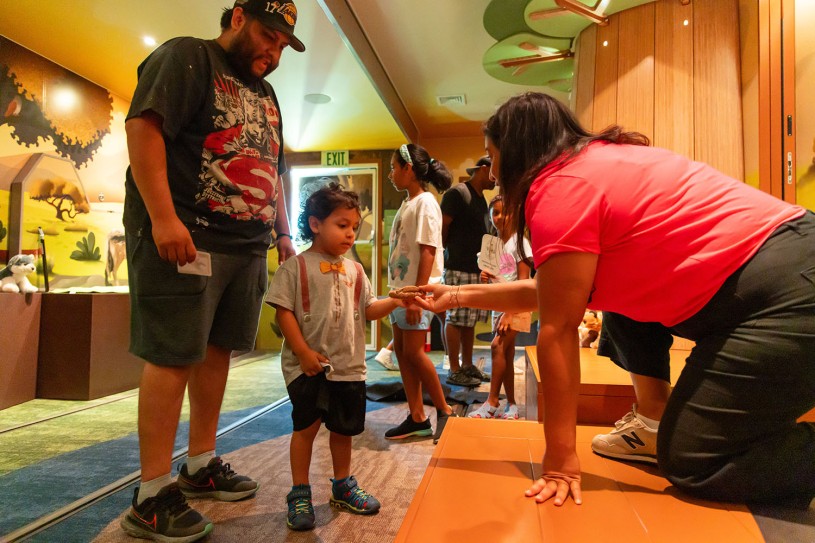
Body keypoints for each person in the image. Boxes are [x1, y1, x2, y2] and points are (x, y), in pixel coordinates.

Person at [413, 91, 814, 508]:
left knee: (694, 461)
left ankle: (672, 433)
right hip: (784, 265)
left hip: (785, 291)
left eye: (492, 156)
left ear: (517, 153)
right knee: (615, 301)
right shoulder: (596, 160)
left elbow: (559, 326)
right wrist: (455, 294)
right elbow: (559, 290)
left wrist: (561, 461)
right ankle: (654, 421)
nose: (492, 172)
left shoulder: (559, 187)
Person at [120, 2, 303, 541]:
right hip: (187, 237)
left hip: (246, 244)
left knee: (218, 351)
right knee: (171, 353)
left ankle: (200, 464)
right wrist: (162, 218)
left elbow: (274, 168)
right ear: (239, 18)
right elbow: (144, 128)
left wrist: (284, 233)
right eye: (268, 36)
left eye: (283, 46)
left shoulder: (266, 95)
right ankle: (150, 495)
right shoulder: (187, 56)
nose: (273, 52)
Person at [266, 183, 397, 530]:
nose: (351, 233)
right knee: (305, 428)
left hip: (349, 367)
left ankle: (342, 485)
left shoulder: (356, 270)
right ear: (315, 224)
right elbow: (283, 312)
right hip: (309, 368)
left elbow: (369, 310)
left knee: (343, 430)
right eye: (342, 225)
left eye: (354, 226)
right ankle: (299, 492)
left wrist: (397, 300)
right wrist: (303, 352)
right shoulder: (294, 267)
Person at [385, 143, 458, 444]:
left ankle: (445, 410)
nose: (391, 174)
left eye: (394, 167)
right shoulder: (408, 203)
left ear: (409, 169)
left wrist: (416, 295)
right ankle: (417, 417)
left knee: (414, 351)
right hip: (401, 292)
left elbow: (429, 249)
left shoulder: (427, 202)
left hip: (415, 292)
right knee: (402, 352)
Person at [469, 195, 531, 420]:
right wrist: (485, 276)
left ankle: (492, 402)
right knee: (506, 351)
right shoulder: (493, 244)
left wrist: (509, 312)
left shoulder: (521, 243)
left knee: (497, 346)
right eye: (494, 212)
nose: (499, 217)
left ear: (514, 214)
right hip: (500, 305)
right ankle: (512, 405)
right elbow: (497, 278)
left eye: (504, 211)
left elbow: (524, 282)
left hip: (516, 306)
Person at [439, 156, 495, 387]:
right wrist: (445, 252)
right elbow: (442, 225)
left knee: (469, 320)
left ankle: (468, 365)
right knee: (454, 318)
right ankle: (454, 368)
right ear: (483, 169)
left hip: (474, 267)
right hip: (457, 266)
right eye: (492, 173)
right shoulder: (457, 194)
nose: (495, 180)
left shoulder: (481, 198)